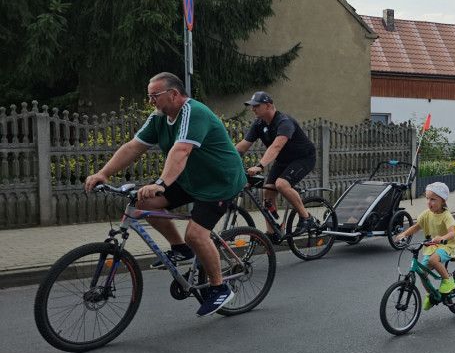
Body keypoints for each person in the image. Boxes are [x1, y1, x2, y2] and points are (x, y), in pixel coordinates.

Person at [84, 72, 247, 316]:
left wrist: (161, 182)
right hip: (190, 179)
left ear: (173, 94)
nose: (150, 101)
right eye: (149, 96)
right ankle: (180, 248)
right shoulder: (159, 117)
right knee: (144, 202)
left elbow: (181, 150)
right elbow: (133, 147)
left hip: (219, 182)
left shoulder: (193, 112)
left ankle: (219, 287)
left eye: (154, 96)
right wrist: (103, 173)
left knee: (196, 234)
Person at [234, 91, 318, 236]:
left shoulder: (284, 122)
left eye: (256, 106)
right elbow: (243, 146)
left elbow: (276, 146)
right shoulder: (259, 124)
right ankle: (272, 232)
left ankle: (306, 218)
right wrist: (227, 158)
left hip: (303, 158)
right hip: (283, 160)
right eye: (252, 106)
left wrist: (260, 166)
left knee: (281, 184)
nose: (253, 109)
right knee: (267, 193)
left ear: (268, 106)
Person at [393, 182, 455, 310]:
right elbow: (416, 227)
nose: (429, 202)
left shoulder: (446, 216)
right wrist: (404, 234)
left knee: (433, 260)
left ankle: (448, 281)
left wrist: (442, 238)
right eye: (427, 198)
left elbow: (452, 232)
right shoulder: (426, 214)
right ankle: (431, 294)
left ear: (443, 201)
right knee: (422, 272)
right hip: (432, 246)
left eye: (433, 199)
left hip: (447, 245)